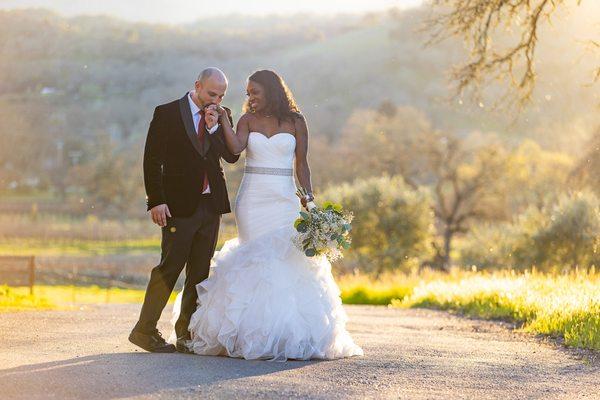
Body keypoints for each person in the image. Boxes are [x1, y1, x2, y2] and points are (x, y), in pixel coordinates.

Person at [173, 69, 363, 361]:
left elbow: (302, 165)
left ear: (271, 92)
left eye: (255, 93)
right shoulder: (247, 120)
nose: (249, 98)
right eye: (247, 93)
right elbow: (235, 149)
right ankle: (247, 334)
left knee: (286, 258)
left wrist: (309, 199)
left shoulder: (297, 122)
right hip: (252, 199)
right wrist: (224, 120)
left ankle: (284, 334)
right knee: (256, 258)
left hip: (285, 198)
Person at [129, 68, 239, 353]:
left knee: (200, 272)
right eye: (211, 94)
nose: (215, 100)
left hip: (210, 205)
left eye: (221, 95)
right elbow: (151, 159)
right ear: (197, 86)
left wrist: (215, 127)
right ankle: (144, 330)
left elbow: (231, 155)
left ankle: (186, 334)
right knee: (170, 267)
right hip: (177, 205)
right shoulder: (166, 113)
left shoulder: (222, 113)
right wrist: (155, 200)